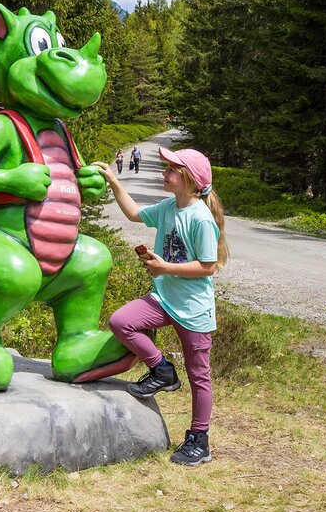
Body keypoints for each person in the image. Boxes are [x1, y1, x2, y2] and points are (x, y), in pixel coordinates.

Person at [91, 147, 228, 466]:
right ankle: (162, 369)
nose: (165, 172)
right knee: (121, 321)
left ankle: (199, 440)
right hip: (163, 299)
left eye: (172, 169)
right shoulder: (168, 206)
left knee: (199, 376)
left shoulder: (201, 219)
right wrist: (113, 181)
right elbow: (135, 214)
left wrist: (165, 267)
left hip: (193, 309)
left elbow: (208, 266)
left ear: (189, 179)